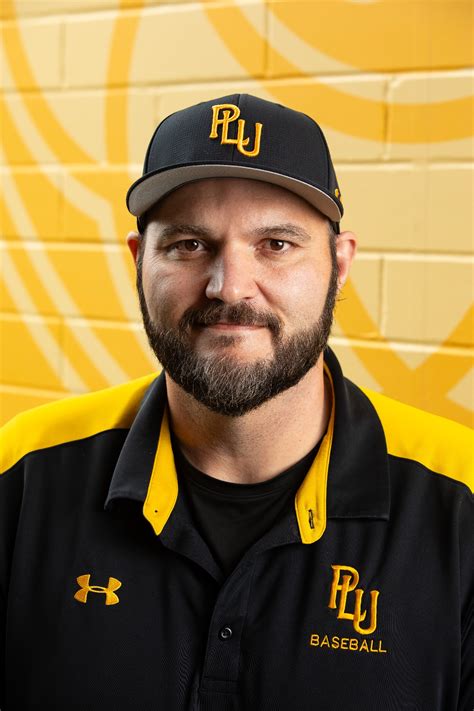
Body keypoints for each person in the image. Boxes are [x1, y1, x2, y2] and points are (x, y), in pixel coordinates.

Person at [0, 94, 472, 711]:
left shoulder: (460, 499)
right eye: (189, 244)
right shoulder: (23, 471)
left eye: (275, 244)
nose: (229, 287)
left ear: (339, 264)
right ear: (140, 262)